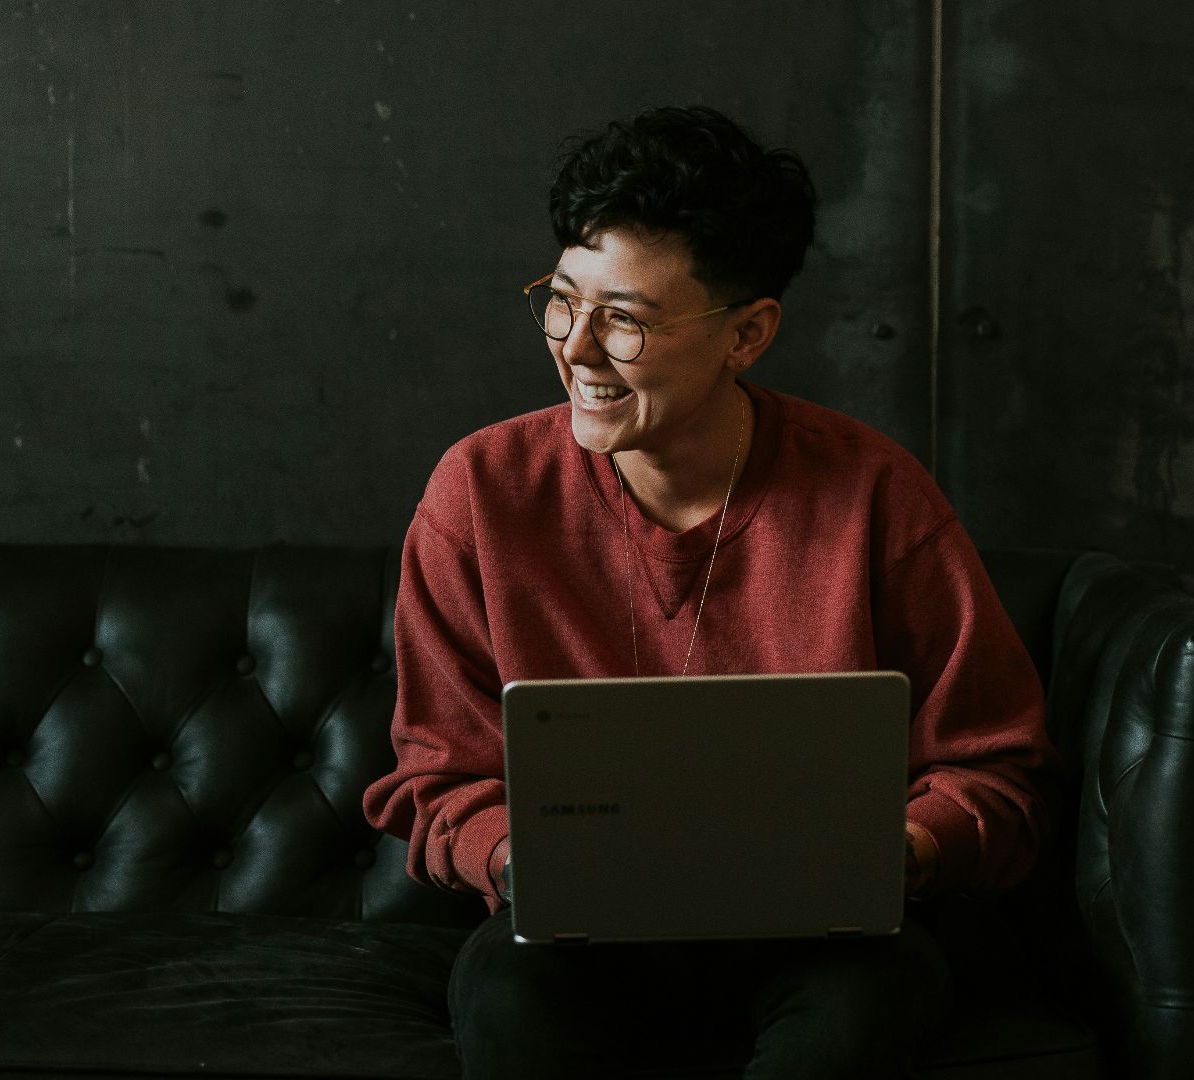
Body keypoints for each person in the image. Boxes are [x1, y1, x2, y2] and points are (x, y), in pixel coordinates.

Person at [363, 104, 1058, 1078]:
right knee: (506, 996)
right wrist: (525, 860)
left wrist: (900, 848)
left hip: (823, 940)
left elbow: (997, 774)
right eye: (562, 301)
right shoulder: (480, 492)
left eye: (625, 320)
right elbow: (438, 778)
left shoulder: (874, 495)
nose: (576, 348)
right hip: (577, 944)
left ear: (748, 334)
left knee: (868, 1007)